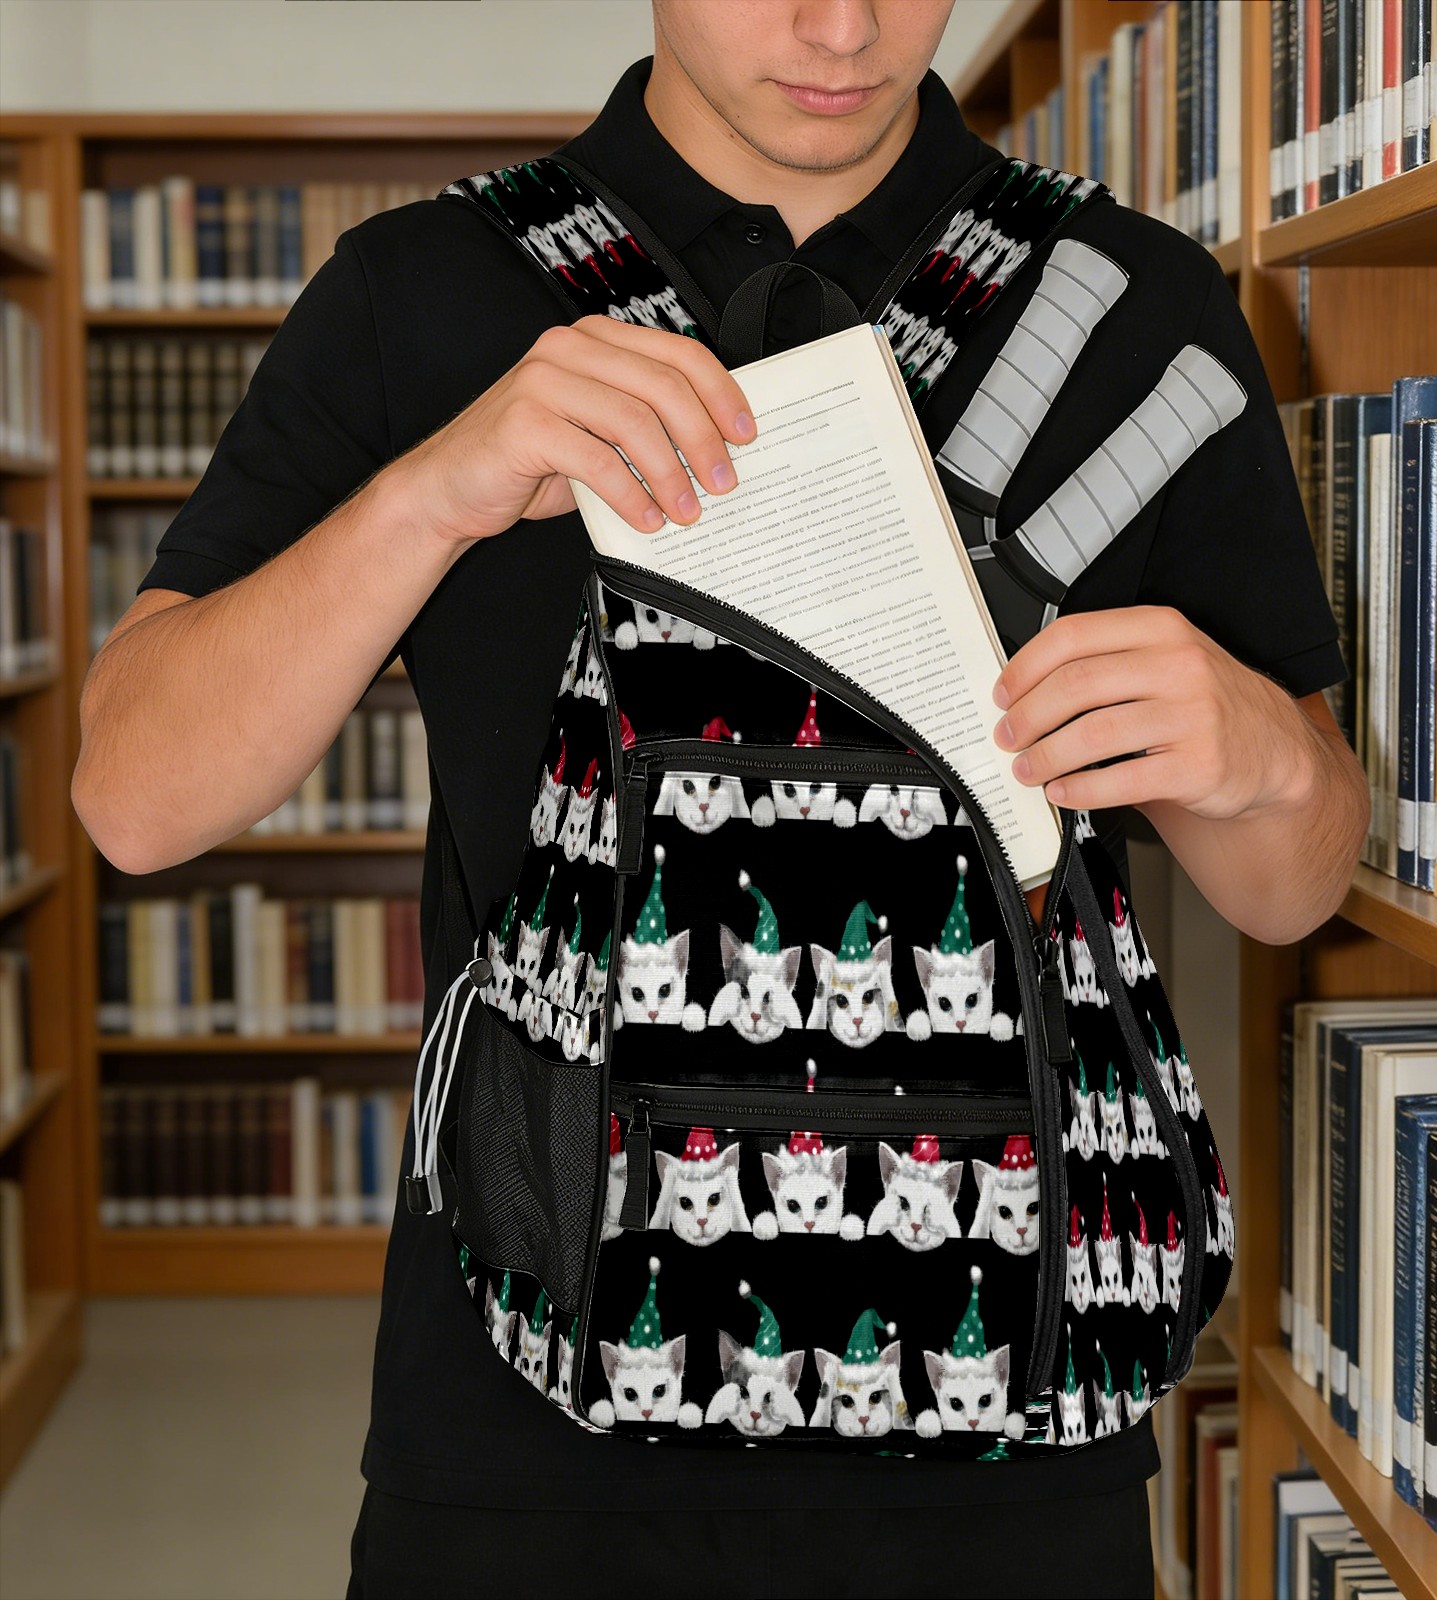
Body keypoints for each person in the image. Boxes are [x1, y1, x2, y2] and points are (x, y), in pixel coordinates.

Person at [71, 2, 1369, 1595]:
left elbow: (1292, 890)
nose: (843, 26)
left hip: (1017, 1428)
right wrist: (428, 497)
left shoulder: (1134, 305)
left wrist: (1265, 754)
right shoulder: (422, 293)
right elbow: (134, 798)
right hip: (526, 1438)